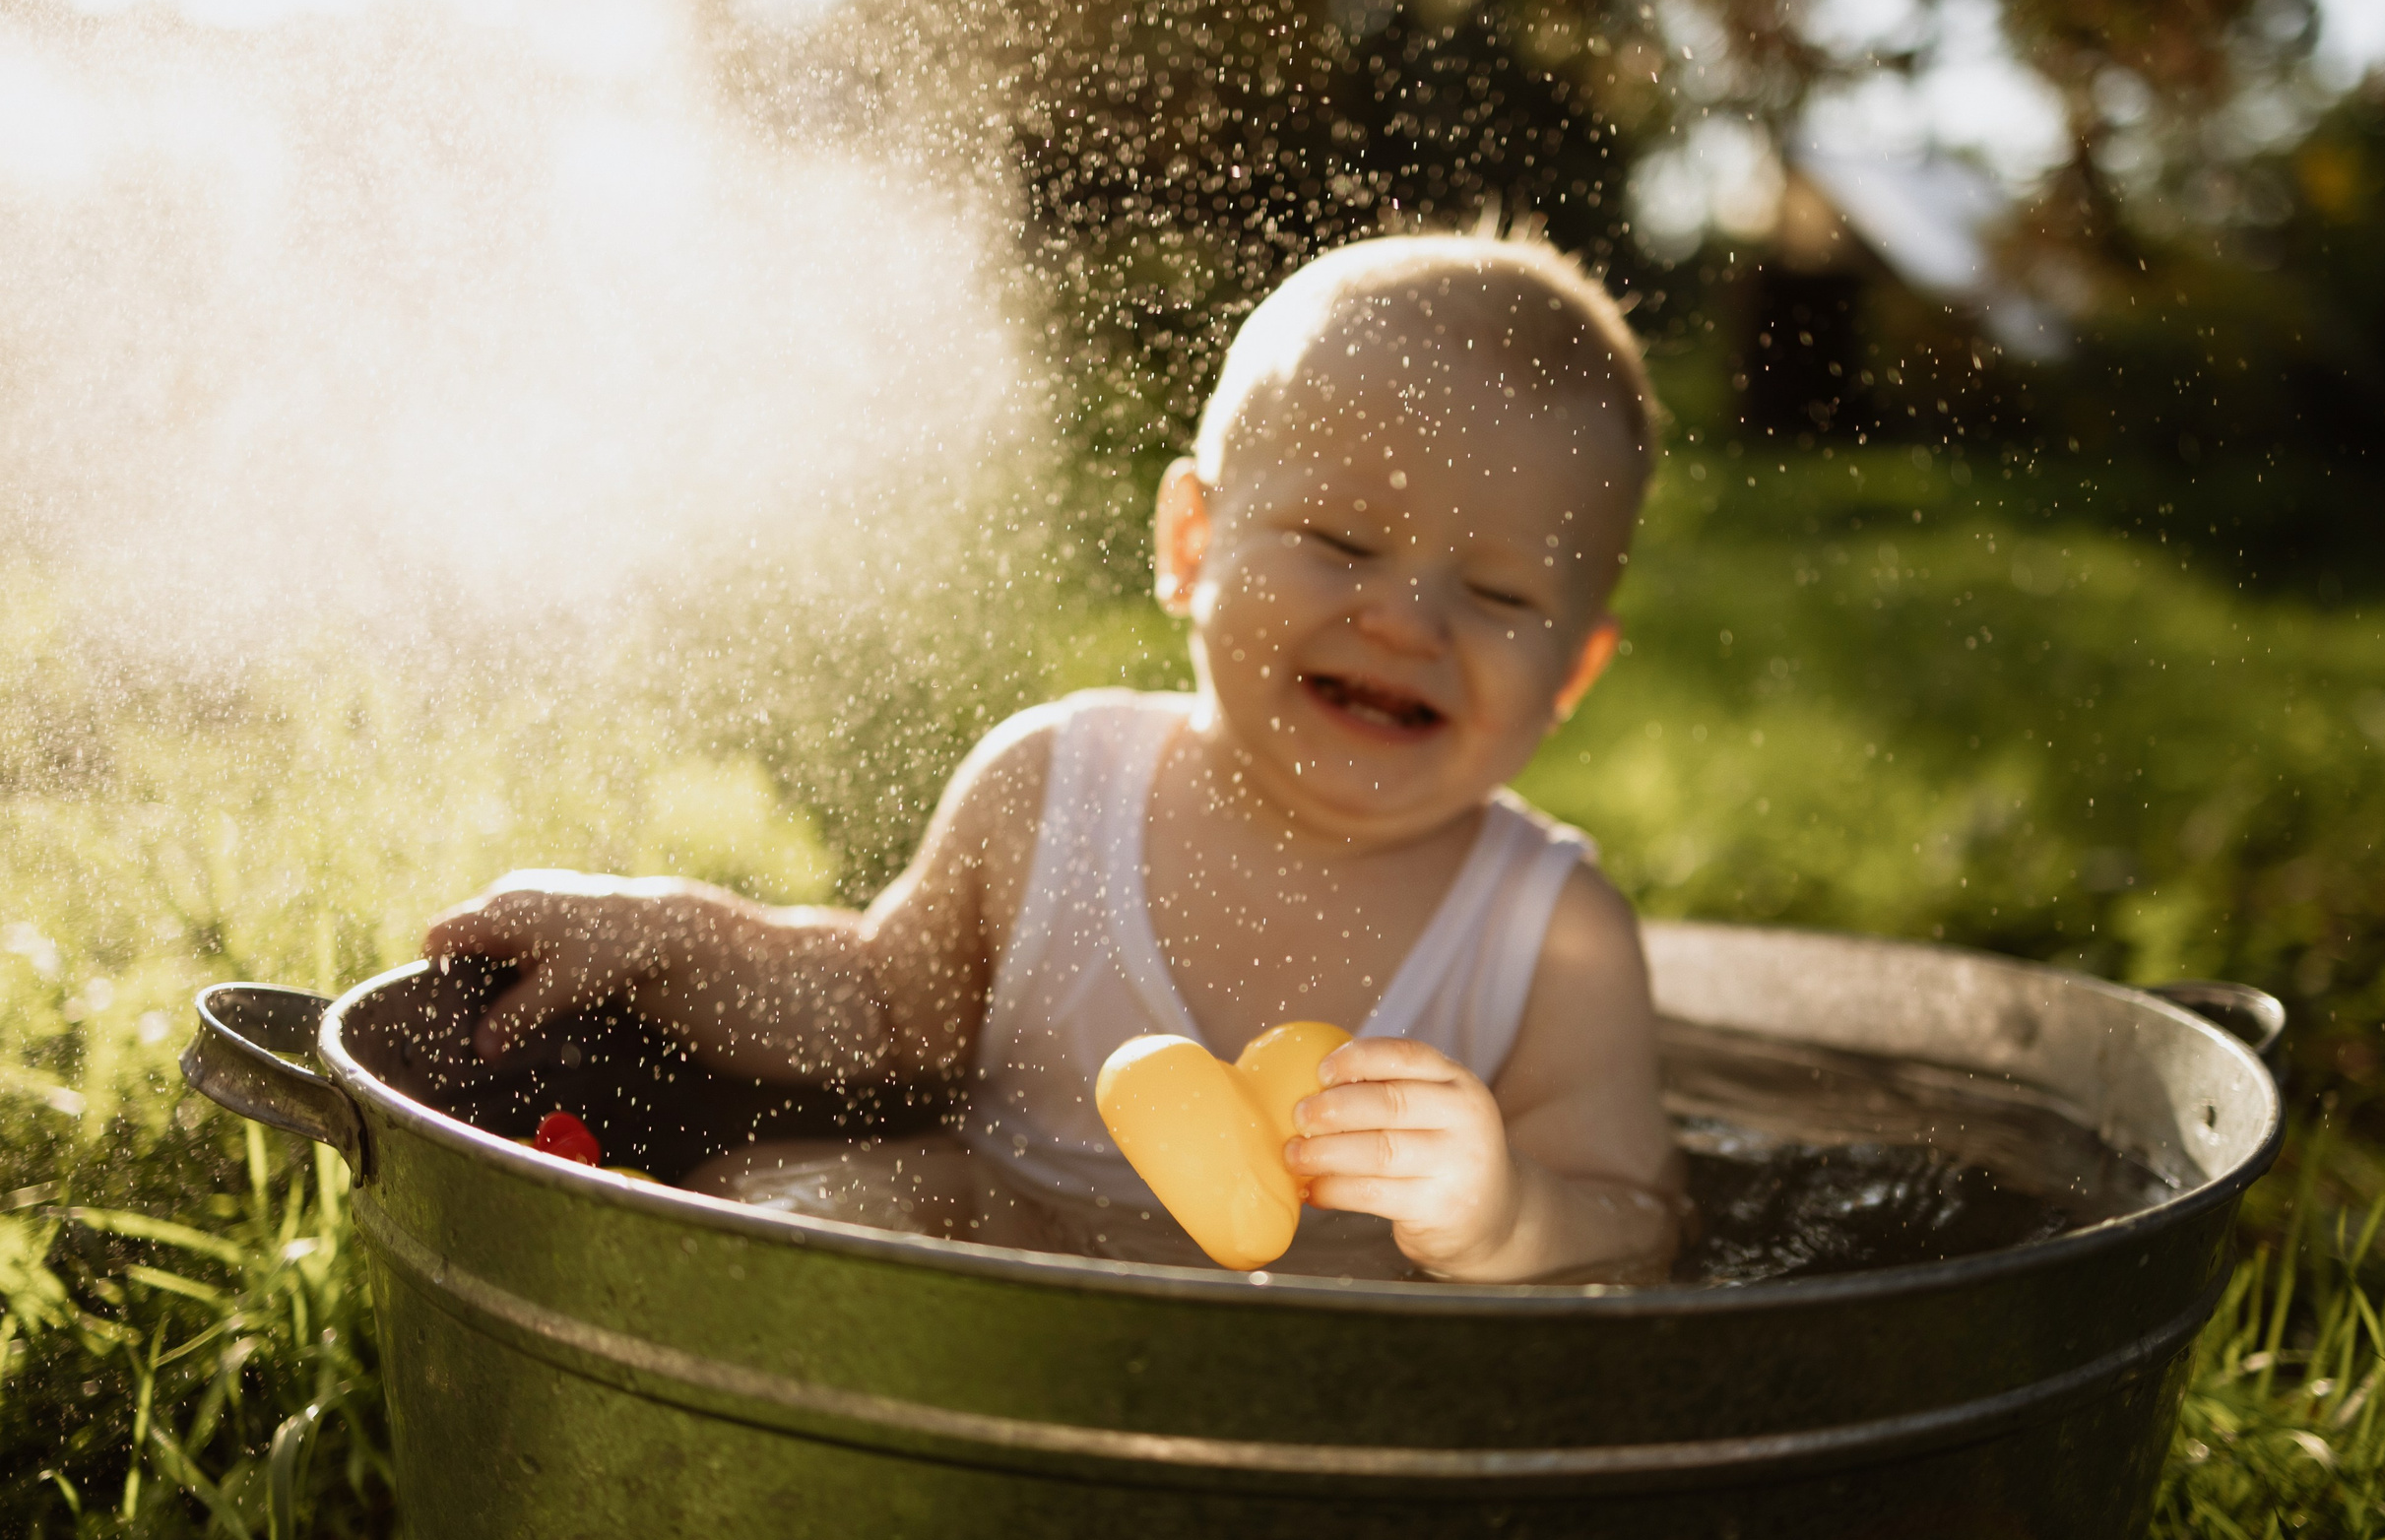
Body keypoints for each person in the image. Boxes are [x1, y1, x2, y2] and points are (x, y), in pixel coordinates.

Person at [424, 231, 1687, 1283]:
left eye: (1498, 596)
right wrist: (668, 936)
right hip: (1011, 1267)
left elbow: (1636, 1221)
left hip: (1336, 1367)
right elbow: (875, 1013)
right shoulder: (1055, 793)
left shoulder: (1553, 933)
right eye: (1340, 541)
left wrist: (1507, 1211)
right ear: (1190, 543)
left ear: (1573, 673)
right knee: (786, 1198)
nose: (1408, 620)